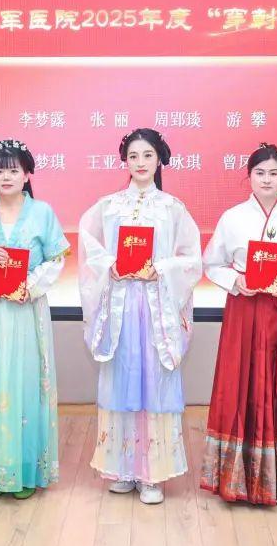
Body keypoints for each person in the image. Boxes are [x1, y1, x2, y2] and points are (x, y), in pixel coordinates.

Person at [78, 128, 202, 505]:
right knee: (122, 378)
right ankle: (123, 468)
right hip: (119, 305)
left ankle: (152, 474)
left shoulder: (173, 208)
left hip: (155, 306)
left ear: (159, 159)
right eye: (133, 156)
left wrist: (159, 268)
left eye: (148, 155)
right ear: (125, 161)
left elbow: (191, 259)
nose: (141, 162)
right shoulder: (108, 206)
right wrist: (111, 266)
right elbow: (89, 246)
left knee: (154, 381)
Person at [200, 143, 277, 505]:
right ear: (249, 177)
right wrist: (235, 280)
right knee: (240, 384)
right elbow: (212, 263)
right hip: (244, 310)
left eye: (273, 173)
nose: (267, 180)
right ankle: (238, 479)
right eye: (259, 173)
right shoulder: (233, 217)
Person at [0, 139, 70, 499]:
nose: (6, 177)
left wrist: (31, 287)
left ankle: (24, 471)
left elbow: (56, 259)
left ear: (27, 174)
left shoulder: (43, 212)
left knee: (24, 381)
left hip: (26, 308)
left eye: (13, 170)